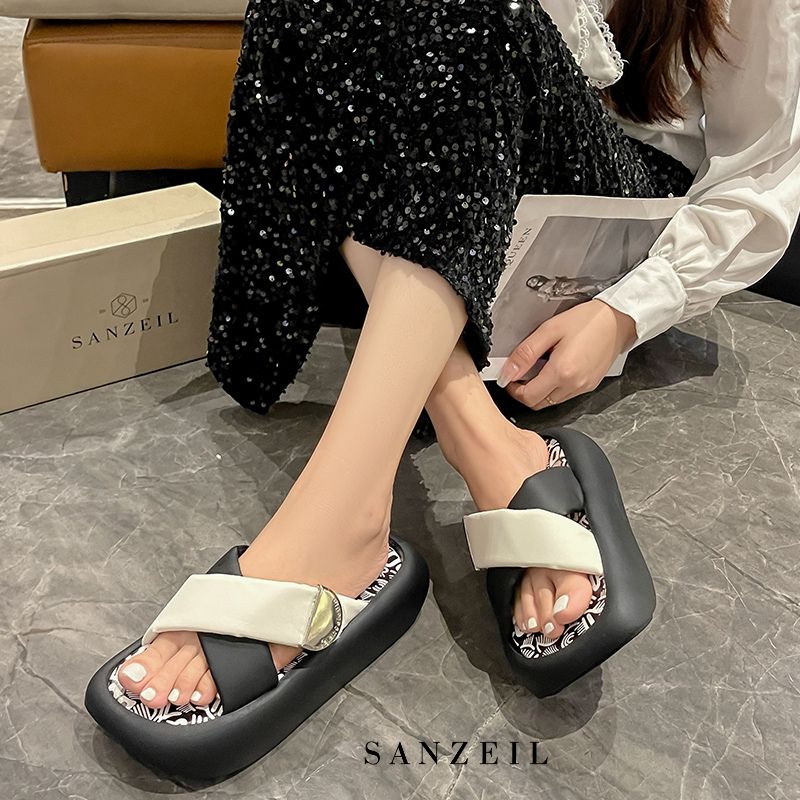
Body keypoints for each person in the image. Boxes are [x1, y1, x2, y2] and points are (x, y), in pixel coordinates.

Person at [108, 0, 799, 713]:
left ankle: (340, 524)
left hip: (603, 211)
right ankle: (478, 437)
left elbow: (760, 179)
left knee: (475, 17)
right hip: (458, 178)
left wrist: (624, 313)